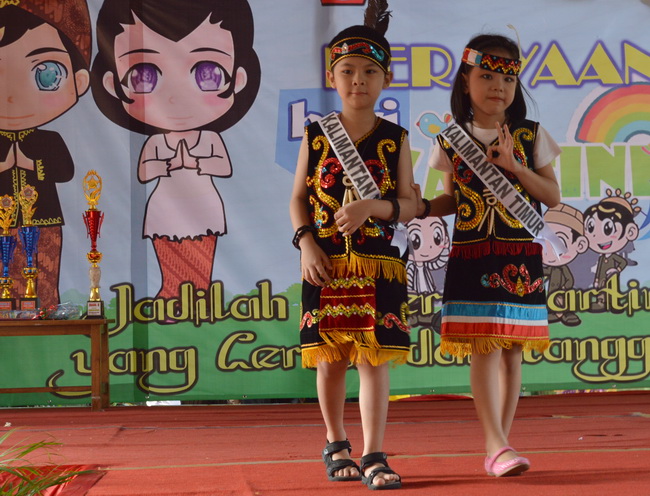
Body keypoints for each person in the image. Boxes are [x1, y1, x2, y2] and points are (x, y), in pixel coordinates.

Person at [417, 33, 562, 477]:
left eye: (507, 78)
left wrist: (515, 168)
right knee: (483, 347)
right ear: (465, 81)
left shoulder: (530, 135)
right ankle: (496, 443)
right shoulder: (449, 138)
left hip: (519, 255)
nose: (497, 86)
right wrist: (415, 207)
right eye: (486, 75)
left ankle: (499, 443)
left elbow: (552, 197)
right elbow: (448, 200)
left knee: (513, 352)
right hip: (472, 252)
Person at [289, 0, 417, 489]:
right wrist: (306, 245)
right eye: (347, 71)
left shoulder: (396, 138)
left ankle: (374, 453)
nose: (357, 79)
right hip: (323, 263)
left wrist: (373, 208)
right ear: (333, 77)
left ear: (384, 79)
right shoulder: (317, 135)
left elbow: (409, 204)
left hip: (378, 265)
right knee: (330, 359)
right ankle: (335, 442)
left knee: (373, 360)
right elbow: (298, 198)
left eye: (369, 71)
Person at [91, 0, 260, 302]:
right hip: (164, 207)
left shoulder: (209, 137)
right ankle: (170, 292)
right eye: (144, 75)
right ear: (112, 84)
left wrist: (193, 161)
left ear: (239, 78)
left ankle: (201, 293)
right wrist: (169, 166)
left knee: (202, 249)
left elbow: (222, 166)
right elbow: (145, 171)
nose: (176, 95)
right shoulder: (155, 141)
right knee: (167, 248)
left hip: (204, 204)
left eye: (208, 73)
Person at [0, 1, 92, 309]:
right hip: (2, 220)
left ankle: (48, 308)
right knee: (6, 272)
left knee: (45, 268)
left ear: (79, 81)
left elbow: (64, 171)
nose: (12, 94)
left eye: (46, 74)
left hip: (44, 218)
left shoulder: (48, 139)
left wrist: (28, 164)